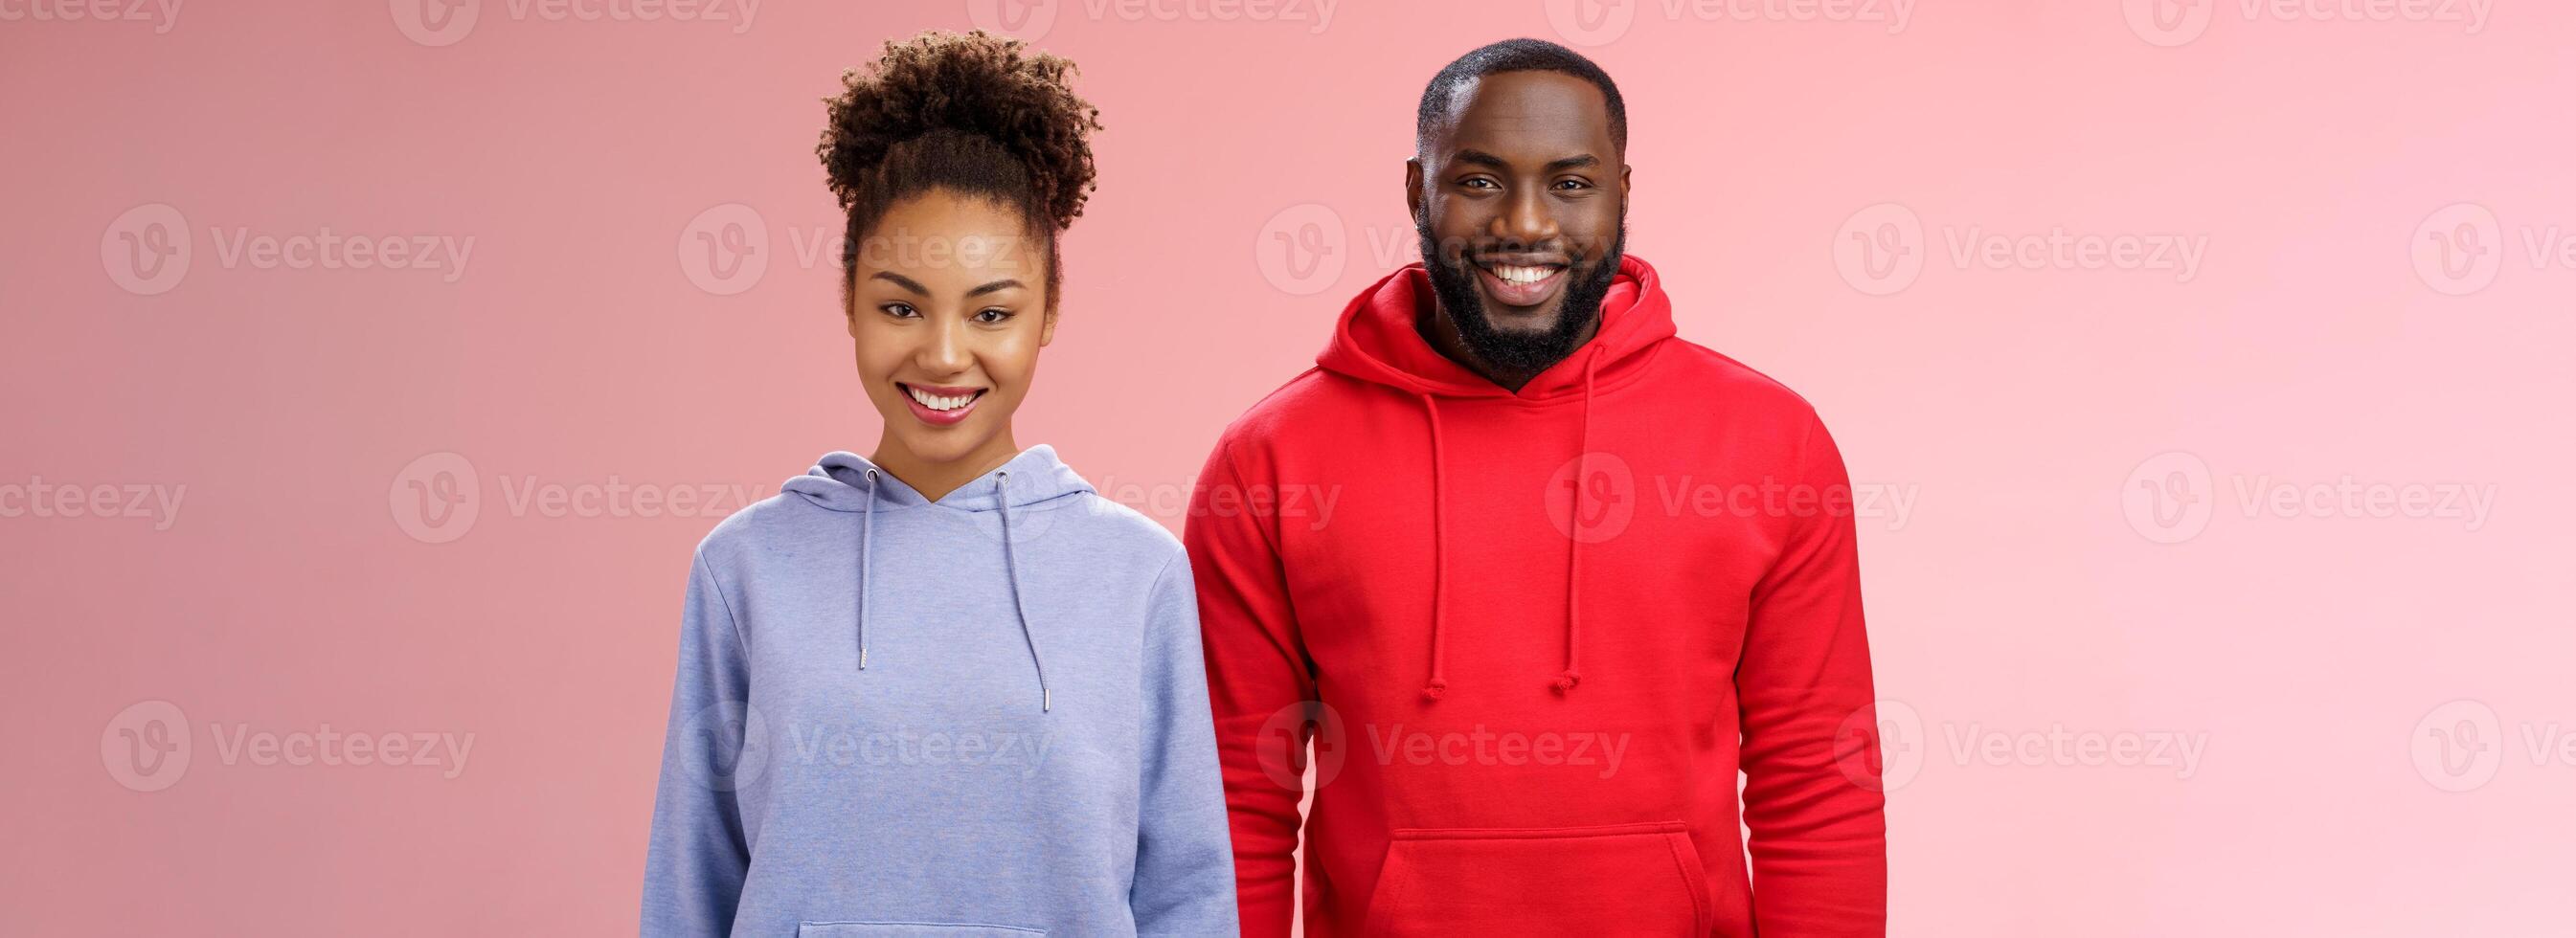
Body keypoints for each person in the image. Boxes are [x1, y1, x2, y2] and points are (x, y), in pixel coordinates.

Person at [1187, 38, 1887, 936]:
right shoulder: (1270, 461)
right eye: (1479, 182)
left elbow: (1818, 782)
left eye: (1569, 182)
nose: (1525, 224)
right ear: (1417, 192)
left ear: (1623, 194)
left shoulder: (1768, 443)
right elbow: (1238, 803)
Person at [642, 31, 1237, 937]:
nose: (945, 354)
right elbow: (693, 881)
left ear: (1049, 315)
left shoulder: (1137, 574)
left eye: (991, 311)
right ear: (848, 300)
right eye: (900, 306)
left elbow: (1186, 893)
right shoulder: (745, 568)